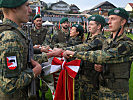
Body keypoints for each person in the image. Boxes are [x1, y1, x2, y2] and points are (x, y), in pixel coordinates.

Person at [63, 8, 133, 99]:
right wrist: (102, 67)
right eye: (109, 19)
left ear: (123, 22)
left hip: (117, 93)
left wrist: (74, 53)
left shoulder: (127, 44)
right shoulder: (108, 41)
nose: (109, 22)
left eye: (113, 19)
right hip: (102, 88)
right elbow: (108, 61)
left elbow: (105, 56)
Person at [0, 0, 63, 100]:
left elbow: (24, 60)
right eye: (27, 6)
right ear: (14, 8)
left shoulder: (14, 33)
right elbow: (10, 84)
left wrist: (50, 54)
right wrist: (34, 72)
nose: (30, 11)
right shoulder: (10, 37)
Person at [64, 15, 106, 100]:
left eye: (91, 24)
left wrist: (65, 50)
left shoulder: (100, 39)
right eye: (88, 24)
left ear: (99, 26)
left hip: (93, 78)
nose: (88, 26)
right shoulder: (89, 38)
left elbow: (86, 47)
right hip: (85, 76)